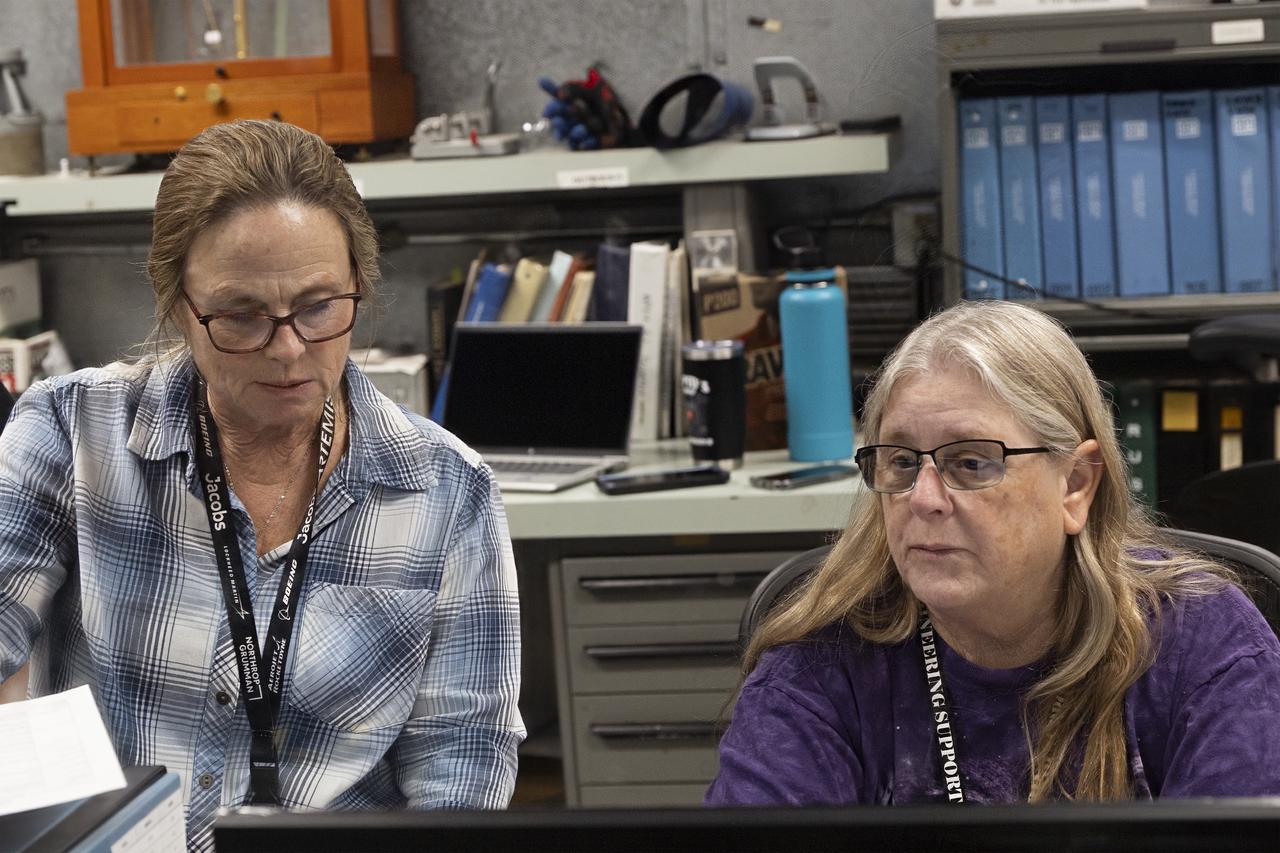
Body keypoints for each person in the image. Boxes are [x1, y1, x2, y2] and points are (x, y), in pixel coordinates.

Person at [0, 120, 524, 850]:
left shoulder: (446, 492)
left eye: (318, 307)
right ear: (181, 306)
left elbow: (460, 771)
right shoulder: (68, 433)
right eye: (242, 316)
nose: (287, 349)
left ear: (360, 287)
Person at [707, 300, 1280, 806]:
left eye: (971, 463)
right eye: (902, 462)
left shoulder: (1203, 642)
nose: (924, 499)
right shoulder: (822, 663)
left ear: (1076, 483)